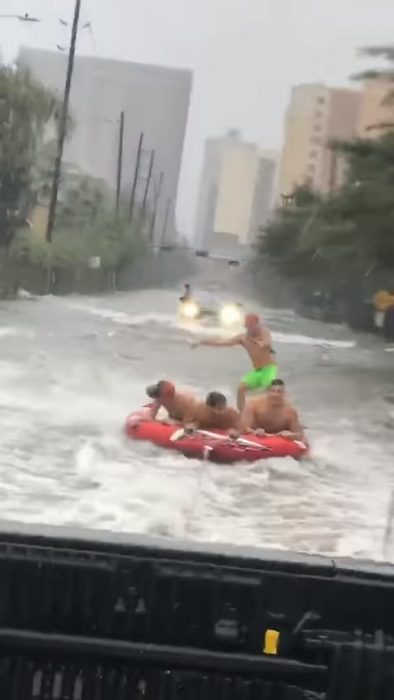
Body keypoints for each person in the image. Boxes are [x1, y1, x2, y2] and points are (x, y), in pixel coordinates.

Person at [191, 313, 277, 410]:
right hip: (257, 371)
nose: (252, 328)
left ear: (258, 324)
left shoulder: (264, 332)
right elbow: (222, 343)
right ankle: (243, 415)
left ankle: (271, 415)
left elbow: (268, 343)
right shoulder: (243, 338)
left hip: (269, 369)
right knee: (241, 388)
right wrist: (202, 341)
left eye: (254, 325)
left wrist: (263, 344)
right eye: (249, 326)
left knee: (269, 391)